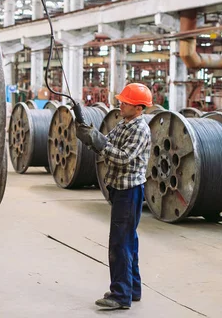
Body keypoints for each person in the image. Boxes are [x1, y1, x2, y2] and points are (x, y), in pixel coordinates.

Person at [75, 83, 153, 310]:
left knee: (120, 242)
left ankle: (120, 296)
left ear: (138, 108)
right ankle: (132, 289)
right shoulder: (124, 124)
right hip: (120, 189)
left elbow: (122, 158)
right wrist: (90, 136)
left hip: (130, 192)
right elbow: (106, 143)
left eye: (126, 102)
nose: (121, 103)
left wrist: (97, 141)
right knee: (129, 241)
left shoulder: (139, 129)